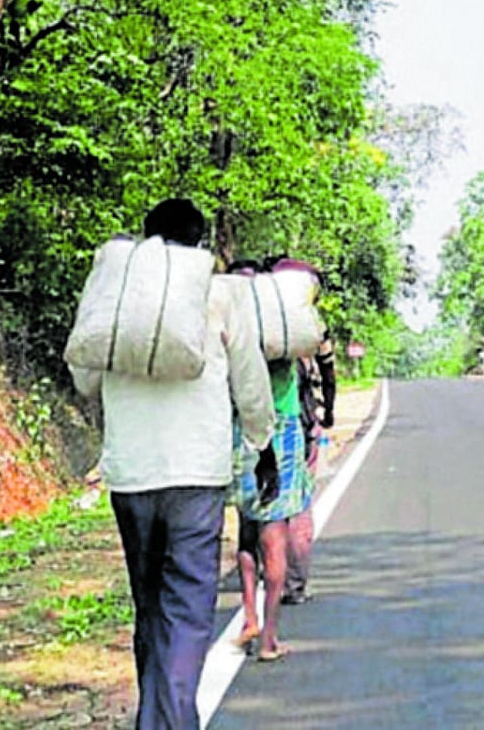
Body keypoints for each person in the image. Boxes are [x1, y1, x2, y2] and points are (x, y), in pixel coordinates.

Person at [69, 199, 276, 730]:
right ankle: (176, 720)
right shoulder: (223, 293)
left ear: (147, 241)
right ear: (201, 245)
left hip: (132, 475)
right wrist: (263, 444)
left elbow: (85, 379)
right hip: (197, 479)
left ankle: (153, 719)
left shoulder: (120, 298)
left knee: (151, 608)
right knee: (186, 613)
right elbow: (250, 379)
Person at [226, 259, 313, 661]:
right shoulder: (280, 329)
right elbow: (314, 349)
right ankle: (270, 638)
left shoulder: (236, 328)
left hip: (242, 425)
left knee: (246, 529)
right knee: (274, 533)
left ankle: (248, 616)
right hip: (283, 429)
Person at [283, 266, 335, 605]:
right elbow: (328, 372)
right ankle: (294, 584)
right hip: (301, 425)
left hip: (255, 427)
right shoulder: (311, 327)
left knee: (256, 509)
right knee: (300, 504)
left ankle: (261, 573)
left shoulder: (255, 322)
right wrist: (328, 411)